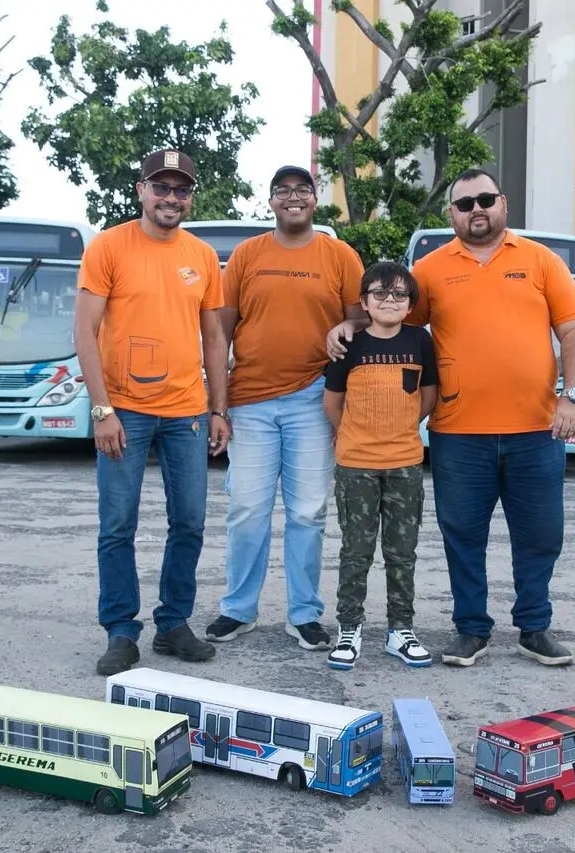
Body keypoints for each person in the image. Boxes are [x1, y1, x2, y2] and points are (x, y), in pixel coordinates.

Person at [326, 168, 575, 668]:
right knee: (462, 535)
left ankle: (534, 627)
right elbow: (390, 313)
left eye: (485, 199)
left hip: (536, 430)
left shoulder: (541, 261)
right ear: (451, 213)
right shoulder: (429, 269)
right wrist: (348, 322)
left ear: (503, 204)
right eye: (464, 203)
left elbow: (574, 330)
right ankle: (471, 630)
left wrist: (571, 396)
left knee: (540, 535)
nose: (476, 210)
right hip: (458, 434)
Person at [74, 147, 232, 676]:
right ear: (140, 189)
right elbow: (84, 331)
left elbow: (214, 337)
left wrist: (218, 408)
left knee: (188, 521)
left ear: (191, 196)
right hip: (125, 411)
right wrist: (102, 410)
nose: (171, 197)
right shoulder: (108, 247)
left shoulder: (204, 257)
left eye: (181, 189)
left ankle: (172, 624)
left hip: (187, 413)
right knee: (117, 525)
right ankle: (121, 631)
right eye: (160, 187)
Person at [206, 165, 367, 652]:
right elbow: (220, 332)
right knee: (248, 509)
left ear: (315, 200)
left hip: (314, 400)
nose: (292, 198)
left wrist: (349, 329)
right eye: (283, 191)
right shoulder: (247, 255)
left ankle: (304, 614)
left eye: (302, 190)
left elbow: (362, 319)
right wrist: (218, 405)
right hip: (251, 401)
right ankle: (238, 609)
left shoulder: (339, 255)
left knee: (307, 512)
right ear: (271, 201)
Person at [322, 261, 437, 670]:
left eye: (399, 294)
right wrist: (355, 435)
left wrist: (401, 430)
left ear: (410, 305)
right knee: (356, 550)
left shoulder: (420, 341)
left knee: (402, 551)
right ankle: (349, 629)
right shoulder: (348, 344)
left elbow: (427, 396)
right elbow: (332, 403)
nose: (389, 300)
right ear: (365, 302)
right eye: (379, 293)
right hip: (356, 466)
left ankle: (400, 630)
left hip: (405, 463)